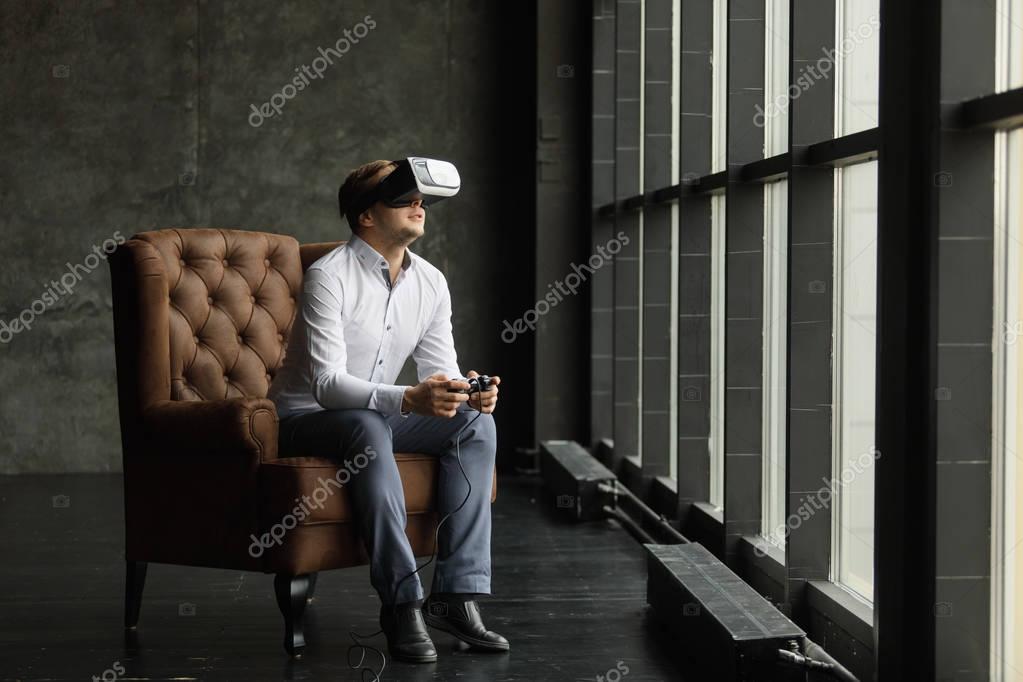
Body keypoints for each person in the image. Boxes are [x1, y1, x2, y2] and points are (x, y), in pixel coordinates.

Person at [268, 159, 508, 663]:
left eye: (422, 198)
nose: (419, 205)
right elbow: (329, 385)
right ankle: (401, 601)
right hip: (303, 421)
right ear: (366, 217)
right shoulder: (328, 276)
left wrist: (470, 392)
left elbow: (441, 370)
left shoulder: (432, 282)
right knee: (366, 422)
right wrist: (407, 398)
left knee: (474, 424)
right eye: (403, 197)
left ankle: (456, 596)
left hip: (374, 417)